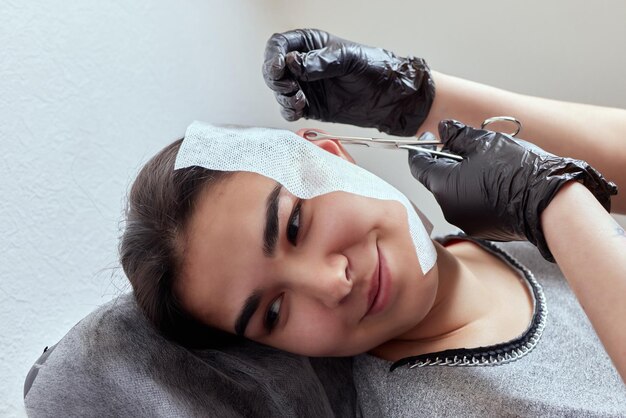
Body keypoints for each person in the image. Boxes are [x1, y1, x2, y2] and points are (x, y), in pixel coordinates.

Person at [119, 30, 625, 416]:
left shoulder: (496, 232)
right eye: (273, 313)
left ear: (331, 156)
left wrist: (419, 101)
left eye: (295, 225)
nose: (331, 282)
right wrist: (555, 202)